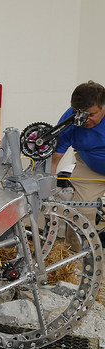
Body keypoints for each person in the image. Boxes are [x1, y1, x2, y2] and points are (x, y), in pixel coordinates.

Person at [51, 81, 105, 244]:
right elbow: (55, 156)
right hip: (90, 166)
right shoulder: (71, 117)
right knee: (80, 211)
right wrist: (50, 185)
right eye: (79, 114)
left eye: (91, 114)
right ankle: (76, 257)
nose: (84, 120)